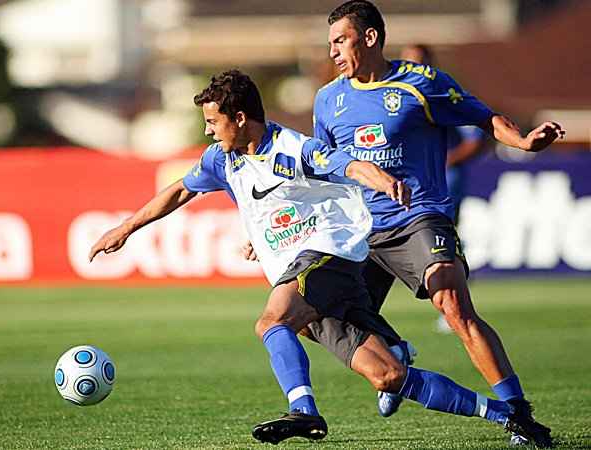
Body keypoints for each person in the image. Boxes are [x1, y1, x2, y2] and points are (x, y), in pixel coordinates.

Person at [89, 70, 552, 447]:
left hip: (329, 253)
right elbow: (177, 192)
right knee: (388, 377)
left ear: (240, 117)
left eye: (213, 121)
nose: (207, 130)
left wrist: (382, 181)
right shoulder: (220, 160)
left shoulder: (293, 149)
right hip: (302, 265)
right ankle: (508, 417)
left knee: (272, 321)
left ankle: (304, 411)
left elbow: (346, 165)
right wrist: (125, 229)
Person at [309, 0, 563, 445]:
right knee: (306, 312)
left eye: (340, 41)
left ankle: (520, 412)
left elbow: (483, 117)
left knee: (452, 304)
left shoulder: (420, 83)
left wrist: (523, 141)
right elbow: (323, 165)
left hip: (417, 217)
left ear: (369, 38)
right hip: (359, 230)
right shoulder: (328, 99)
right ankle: (394, 349)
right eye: (330, 42)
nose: (332, 51)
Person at [399, 43, 487, 335]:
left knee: (446, 244)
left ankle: (455, 307)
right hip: (407, 186)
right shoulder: (393, 95)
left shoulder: (441, 92)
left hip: (444, 184)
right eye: (409, 60)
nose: (413, 66)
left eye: (419, 61)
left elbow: (475, 137)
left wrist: (446, 159)